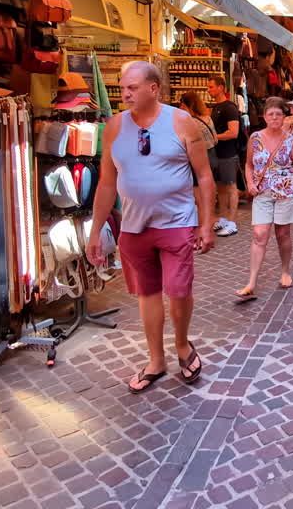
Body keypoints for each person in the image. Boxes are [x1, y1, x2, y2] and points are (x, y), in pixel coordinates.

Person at [87, 62, 215, 392]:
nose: (124, 93)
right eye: (122, 86)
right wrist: (95, 231)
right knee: (147, 293)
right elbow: (106, 183)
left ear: (153, 88)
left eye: (132, 87)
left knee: (179, 290)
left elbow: (203, 176)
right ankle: (156, 359)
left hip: (176, 222)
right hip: (133, 227)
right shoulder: (114, 127)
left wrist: (207, 224)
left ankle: (183, 345)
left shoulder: (182, 123)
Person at [236, 98, 293, 301]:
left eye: (278, 114)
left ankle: (285, 271)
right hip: (262, 193)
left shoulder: (291, 141)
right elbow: (249, 164)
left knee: (283, 233)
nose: (275, 117)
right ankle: (251, 282)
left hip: (287, 192)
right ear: (264, 117)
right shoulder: (255, 138)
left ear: (283, 116)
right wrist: (250, 183)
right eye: (271, 114)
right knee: (260, 234)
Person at [206, 75, 241, 237]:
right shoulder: (216, 107)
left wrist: (213, 138)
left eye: (211, 87)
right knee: (220, 187)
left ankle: (232, 221)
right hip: (218, 154)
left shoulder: (229, 107)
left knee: (231, 187)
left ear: (221, 87)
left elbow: (233, 133)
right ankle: (224, 218)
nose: (209, 90)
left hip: (228, 154)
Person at [178, 91, 217, 209]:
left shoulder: (189, 122)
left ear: (184, 105)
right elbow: (215, 139)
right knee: (207, 189)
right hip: (212, 157)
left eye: (181, 105)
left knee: (197, 192)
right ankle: (208, 214)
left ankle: (202, 219)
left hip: (198, 161)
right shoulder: (207, 118)